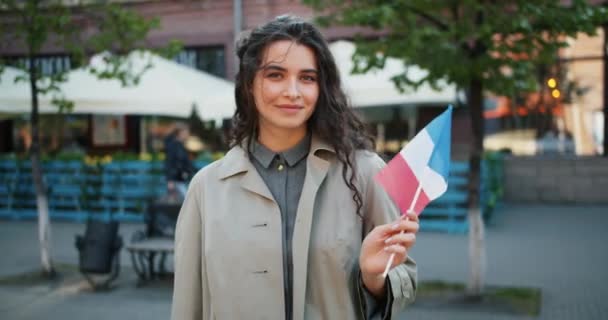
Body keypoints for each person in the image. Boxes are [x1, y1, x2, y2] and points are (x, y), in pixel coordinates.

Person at [171, 15, 419, 320]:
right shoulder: (206, 188)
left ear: (321, 87)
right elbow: (187, 303)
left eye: (307, 78)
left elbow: (403, 277)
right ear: (250, 84)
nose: (293, 91)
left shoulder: (364, 173)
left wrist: (374, 277)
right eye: (275, 75)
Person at [164, 122, 195, 198]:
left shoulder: (180, 145)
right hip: (176, 180)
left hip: (181, 179)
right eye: (186, 132)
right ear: (180, 133)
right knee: (187, 200)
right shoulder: (174, 146)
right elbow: (169, 162)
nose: (188, 134)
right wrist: (170, 180)